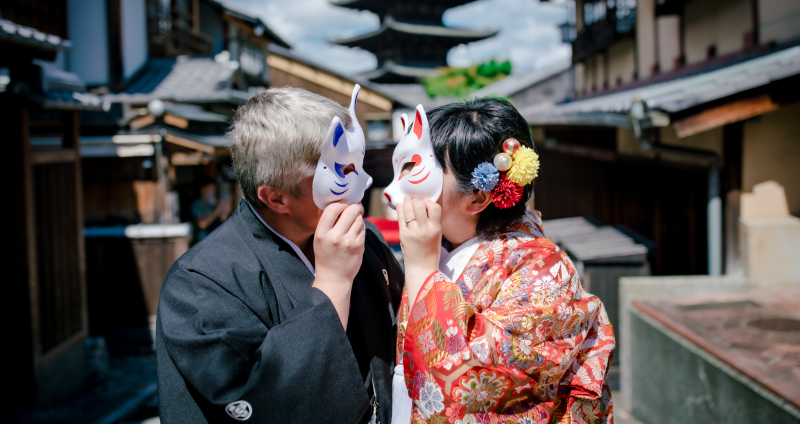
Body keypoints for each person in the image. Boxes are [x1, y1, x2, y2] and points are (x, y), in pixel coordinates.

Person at [156, 87, 405, 424]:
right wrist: (332, 282)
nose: (364, 181)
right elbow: (259, 405)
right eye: (344, 171)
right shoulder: (200, 283)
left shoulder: (367, 240)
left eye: (358, 165)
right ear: (275, 198)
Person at [391, 98, 615, 423]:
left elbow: (471, 386)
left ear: (478, 197)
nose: (393, 190)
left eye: (417, 170)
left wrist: (423, 273)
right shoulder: (437, 244)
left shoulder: (544, 269)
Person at [191, 177, 231, 242]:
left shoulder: (215, 203)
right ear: (203, 190)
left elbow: (223, 220)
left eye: (214, 191)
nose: (212, 193)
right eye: (211, 190)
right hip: (203, 241)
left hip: (217, 239)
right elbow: (202, 224)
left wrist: (225, 211)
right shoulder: (197, 205)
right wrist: (218, 210)